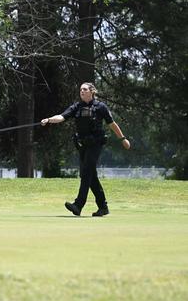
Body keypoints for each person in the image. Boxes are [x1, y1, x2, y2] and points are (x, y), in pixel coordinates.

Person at [41, 83, 131, 217]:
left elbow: (112, 124)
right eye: (80, 90)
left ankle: (78, 205)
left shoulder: (100, 107)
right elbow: (61, 117)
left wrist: (123, 138)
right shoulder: (77, 107)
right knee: (91, 176)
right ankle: (103, 207)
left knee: (86, 172)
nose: (81, 91)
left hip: (96, 143)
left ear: (92, 91)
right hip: (83, 145)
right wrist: (48, 120)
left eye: (84, 89)